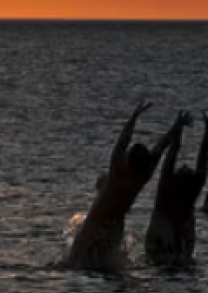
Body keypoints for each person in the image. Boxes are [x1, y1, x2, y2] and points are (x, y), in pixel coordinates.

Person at [66, 102, 187, 270]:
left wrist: (134, 118)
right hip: (114, 228)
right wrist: (177, 127)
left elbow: (122, 142)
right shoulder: (143, 177)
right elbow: (161, 147)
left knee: (76, 264)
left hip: (96, 224)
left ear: (129, 160)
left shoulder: (118, 175)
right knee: (106, 266)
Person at [145, 111, 208, 264]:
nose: (184, 166)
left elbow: (172, 154)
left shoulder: (168, 185)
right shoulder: (193, 187)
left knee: (160, 259)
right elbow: (202, 158)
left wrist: (179, 128)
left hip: (166, 225)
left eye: (184, 169)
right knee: (181, 260)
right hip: (174, 227)